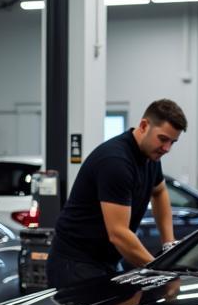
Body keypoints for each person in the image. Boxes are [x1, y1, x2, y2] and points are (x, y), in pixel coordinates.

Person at [45, 99, 186, 290]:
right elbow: (119, 234)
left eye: (173, 142)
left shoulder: (151, 157)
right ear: (144, 125)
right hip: (75, 262)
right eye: (163, 139)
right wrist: (160, 272)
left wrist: (168, 243)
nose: (167, 148)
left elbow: (159, 191)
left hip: (107, 260)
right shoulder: (116, 161)